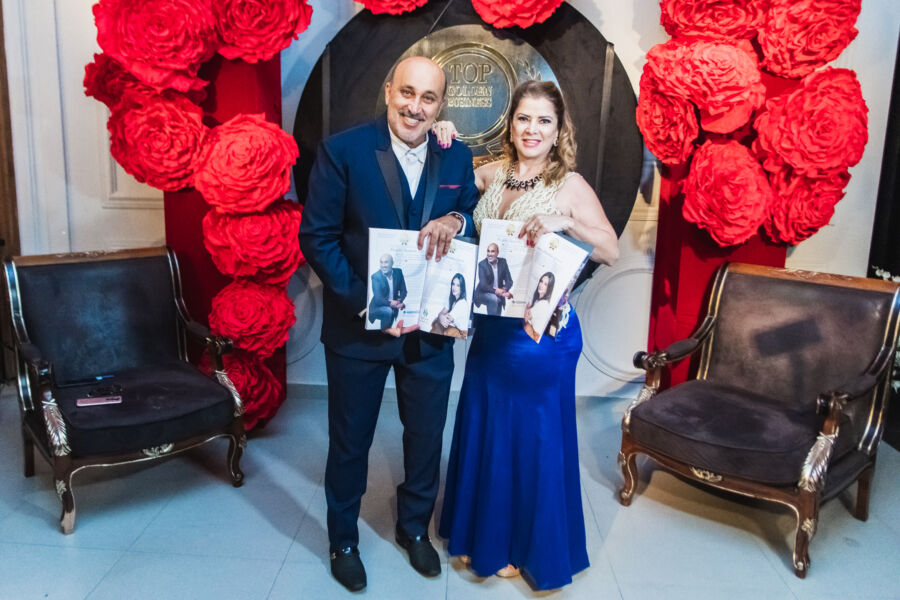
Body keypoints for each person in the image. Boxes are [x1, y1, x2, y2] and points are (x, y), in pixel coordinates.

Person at [298, 56, 480, 592]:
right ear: (387, 91)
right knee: (350, 440)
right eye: (407, 92)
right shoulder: (343, 150)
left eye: (428, 98)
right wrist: (368, 303)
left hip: (431, 333)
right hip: (359, 329)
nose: (415, 107)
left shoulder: (456, 155)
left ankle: (413, 529)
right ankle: (343, 540)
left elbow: (472, 216)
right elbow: (318, 238)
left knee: (425, 436)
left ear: (440, 106)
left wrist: (457, 219)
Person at [436, 80, 619, 591]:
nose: (532, 129)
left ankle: (520, 544)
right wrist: (441, 133)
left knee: (529, 439)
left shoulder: (569, 185)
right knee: (487, 426)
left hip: (542, 338)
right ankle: (483, 534)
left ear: (558, 130)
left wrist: (565, 221)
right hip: (492, 331)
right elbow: (445, 172)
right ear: (510, 124)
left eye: (543, 121)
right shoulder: (492, 173)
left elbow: (611, 250)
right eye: (523, 118)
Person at [473, 243, 514, 315]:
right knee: (493, 298)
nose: (489, 254)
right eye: (488, 251)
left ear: (497, 253)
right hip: (483, 293)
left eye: (492, 251)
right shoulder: (482, 264)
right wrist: (498, 291)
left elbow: (509, 280)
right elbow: (483, 285)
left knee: (497, 312)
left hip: (498, 294)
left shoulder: (503, 262)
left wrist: (504, 290)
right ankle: (490, 320)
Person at [368, 254, 407, 330]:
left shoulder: (398, 272)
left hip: (393, 305)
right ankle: (385, 332)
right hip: (378, 307)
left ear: (392, 263)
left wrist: (399, 301)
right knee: (388, 311)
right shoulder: (376, 277)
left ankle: (388, 331)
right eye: (381, 262)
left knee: (395, 313)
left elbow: (404, 291)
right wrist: (392, 304)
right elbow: (378, 299)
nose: (383, 265)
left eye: (386, 262)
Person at [431, 273, 469, 338]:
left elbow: (446, 320)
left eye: (458, 285)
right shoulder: (452, 299)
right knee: (437, 323)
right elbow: (441, 313)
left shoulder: (462, 303)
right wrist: (440, 316)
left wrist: (440, 317)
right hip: (455, 329)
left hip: (462, 333)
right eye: (453, 284)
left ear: (462, 288)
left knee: (440, 326)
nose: (454, 287)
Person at [523, 271, 554, 341]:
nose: (541, 285)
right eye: (541, 281)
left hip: (534, 335)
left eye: (545, 284)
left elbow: (526, 318)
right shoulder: (538, 300)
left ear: (549, 288)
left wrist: (526, 308)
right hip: (532, 332)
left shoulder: (543, 304)